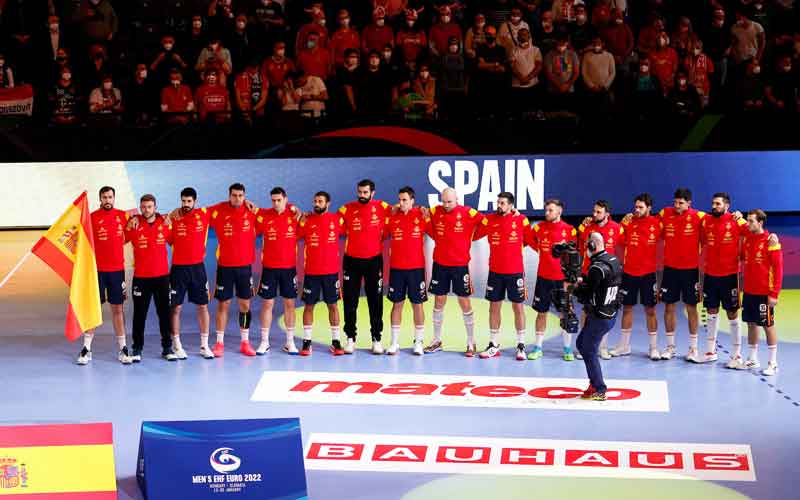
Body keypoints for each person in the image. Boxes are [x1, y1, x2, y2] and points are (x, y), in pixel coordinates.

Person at [699, 193, 771, 366]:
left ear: (727, 206)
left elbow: (757, 231)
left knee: (732, 313)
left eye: (717, 203)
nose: (714, 206)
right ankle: (710, 351)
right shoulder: (706, 220)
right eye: (713, 203)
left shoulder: (736, 221)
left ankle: (736, 354)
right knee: (711, 312)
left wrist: (770, 236)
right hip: (710, 275)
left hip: (730, 275)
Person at [77, 187, 132, 365]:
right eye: (104, 197)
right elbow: (82, 239)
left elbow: (140, 222)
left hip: (117, 271)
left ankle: (123, 348)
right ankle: (86, 349)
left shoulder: (124, 216)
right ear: (100, 199)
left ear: (114, 198)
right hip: (97, 272)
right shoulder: (92, 218)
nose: (107, 200)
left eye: (110, 197)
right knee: (94, 309)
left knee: (118, 309)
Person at [473, 192, 531, 361]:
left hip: (515, 272)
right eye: (498, 202)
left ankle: (521, 345)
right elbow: (475, 234)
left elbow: (529, 240)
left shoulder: (521, 220)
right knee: (494, 308)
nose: (499, 205)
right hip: (495, 272)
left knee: (518, 308)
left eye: (503, 203)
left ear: (511, 205)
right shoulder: (490, 219)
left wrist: (513, 251)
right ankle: (493, 345)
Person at [424, 187, 483, 355]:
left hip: (459, 265)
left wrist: (471, 237)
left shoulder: (468, 212)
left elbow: (487, 223)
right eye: (444, 201)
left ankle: (471, 342)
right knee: (438, 302)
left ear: (457, 199)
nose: (447, 205)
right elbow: (424, 217)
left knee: (464, 302)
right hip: (440, 264)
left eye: (450, 201)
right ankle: (436, 340)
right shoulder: (435, 211)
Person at [337, 180, 390, 354]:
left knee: (375, 301)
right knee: (350, 301)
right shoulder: (346, 209)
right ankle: (350, 339)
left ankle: (376, 339)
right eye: (360, 192)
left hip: (374, 261)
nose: (362, 195)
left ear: (372, 193)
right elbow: (328, 221)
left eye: (365, 192)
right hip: (351, 261)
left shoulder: (382, 207)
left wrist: (420, 210)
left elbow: (400, 210)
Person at [653, 188, 706, 361]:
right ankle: (670, 347)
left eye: (681, 203)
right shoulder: (665, 213)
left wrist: (736, 215)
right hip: (670, 270)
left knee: (691, 307)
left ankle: (693, 348)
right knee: (669, 307)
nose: (677, 206)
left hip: (691, 271)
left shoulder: (700, 217)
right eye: (675, 202)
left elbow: (719, 222)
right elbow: (649, 223)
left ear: (689, 203)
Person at [208, 183, 258, 357]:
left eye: (241, 195)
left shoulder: (252, 211)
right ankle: (219, 343)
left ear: (244, 196)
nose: (237, 198)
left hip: (245, 267)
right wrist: (175, 212)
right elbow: (196, 213)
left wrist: (294, 209)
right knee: (224, 304)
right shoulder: (218, 210)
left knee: (245, 304)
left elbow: (275, 213)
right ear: (229, 195)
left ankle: (245, 342)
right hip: (225, 267)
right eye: (234, 195)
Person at [124, 195, 175, 362]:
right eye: (143, 207)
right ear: (140, 207)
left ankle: (167, 348)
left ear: (155, 207)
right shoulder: (134, 224)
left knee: (164, 314)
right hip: (141, 278)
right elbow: (120, 235)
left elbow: (176, 240)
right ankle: (137, 349)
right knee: (139, 315)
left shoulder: (165, 223)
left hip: (162, 278)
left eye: (150, 207)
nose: (146, 210)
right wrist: (131, 218)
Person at [164, 188, 213, 360]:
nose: (185, 205)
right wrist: (169, 215)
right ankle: (177, 346)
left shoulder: (205, 214)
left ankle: (204, 346)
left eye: (189, 201)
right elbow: (160, 227)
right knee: (175, 308)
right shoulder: (174, 219)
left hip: (198, 269)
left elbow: (227, 207)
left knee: (203, 306)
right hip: (178, 269)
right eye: (183, 201)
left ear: (195, 201)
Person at [574, 232, 623, 401]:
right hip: (610, 313)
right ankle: (594, 383)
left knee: (588, 349)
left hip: (599, 316)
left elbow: (587, 294)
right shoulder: (613, 260)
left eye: (588, 244)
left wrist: (575, 288)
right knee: (581, 344)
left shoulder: (596, 268)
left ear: (592, 245)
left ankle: (599, 388)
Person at [526, 199, 578, 361]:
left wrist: (571, 280)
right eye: (546, 210)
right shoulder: (539, 228)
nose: (547, 213)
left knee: (566, 314)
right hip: (543, 278)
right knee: (541, 313)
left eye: (550, 210)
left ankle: (567, 348)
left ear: (559, 211)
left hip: (562, 280)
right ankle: (538, 347)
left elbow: (574, 256)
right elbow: (532, 242)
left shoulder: (570, 230)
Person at [296, 191, 345, 356]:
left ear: (328, 203)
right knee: (309, 306)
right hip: (312, 272)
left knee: (333, 306)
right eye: (315, 201)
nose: (317, 204)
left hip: (331, 273)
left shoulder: (337, 220)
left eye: (320, 201)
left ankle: (336, 341)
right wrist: (300, 218)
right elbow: (294, 235)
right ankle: (307, 342)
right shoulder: (307, 220)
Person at [613, 193, 662, 359]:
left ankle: (654, 348)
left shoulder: (658, 223)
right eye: (636, 207)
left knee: (651, 310)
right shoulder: (628, 223)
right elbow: (617, 242)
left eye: (641, 207)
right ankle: (624, 346)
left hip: (648, 274)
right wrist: (622, 224)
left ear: (649, 208)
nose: (637, 210)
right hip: (629, 273)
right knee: (627, 309)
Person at [254, 187, 301, 355]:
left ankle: (290, 342)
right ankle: (264, 342)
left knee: (290, 304)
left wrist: (298, 212)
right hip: (269, 269)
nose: (276, 203)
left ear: (285, 199)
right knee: (267, 304)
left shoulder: (295, 215)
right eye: (273, 200)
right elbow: (252, 220)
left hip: (289, 269)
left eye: (279, 200)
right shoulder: (265, 215)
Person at [737, 209, 783, 376]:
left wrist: (774, 294)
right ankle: (753, 358)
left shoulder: (771, 242)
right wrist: (738, 216)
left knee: (767, 325)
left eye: (751, 221)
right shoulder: (748, 237)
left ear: (760, 223)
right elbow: (740, 224)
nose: (748, 224)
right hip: (749, 290)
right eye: (747, 220)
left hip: (764, 292)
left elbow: (778, 269)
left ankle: (773, 362)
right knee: (751, 323)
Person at [385, 186, 430, 355]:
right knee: (397, 305)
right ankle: (394, 343)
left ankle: (418, 342)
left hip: (416, 269)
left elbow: (440, 214)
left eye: (405, 200)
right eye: (400, 200)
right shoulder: (392, 218)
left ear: (412, 201)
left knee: (417, 305)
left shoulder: (422, 215)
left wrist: (422, 209)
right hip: (396, 269)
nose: (401, 203)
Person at [576, 200, 622, 359]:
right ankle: (586, 344)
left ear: (607, 214)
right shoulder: (586, 226)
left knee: (604, 309)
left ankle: (602, 346)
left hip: (607, 276)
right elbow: (578, 245)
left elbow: (624, 245)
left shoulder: (617, 228)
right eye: (594, 211)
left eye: (598, 212)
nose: (594, 215)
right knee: (586, 308)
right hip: (589, 272)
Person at [543, 33, 580, 111]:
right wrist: (559, 85)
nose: (561, 46)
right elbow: (548, 73)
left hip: (569, 90)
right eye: (559, 43)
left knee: (568, 112)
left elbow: (576, 72)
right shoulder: (549, 55)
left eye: (563, 43)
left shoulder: (572, 54)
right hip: (553, 90)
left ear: (567, 43)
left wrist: (567, 85)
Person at [509, 28, 543, 112]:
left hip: (533, 85)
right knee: (519, 111)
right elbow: (512, 66)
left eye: (525, 34)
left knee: (532, 110)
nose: (522, 37)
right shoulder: (513, 50)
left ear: (529, 36)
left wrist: (528, 78)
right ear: (517, 37)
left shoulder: (536, 50)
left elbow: (539, 66)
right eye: (520, 35)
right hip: (517, 85)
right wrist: (521, 78)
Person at [581, 36, 615, 115]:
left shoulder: (609, 56)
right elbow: (584, 72)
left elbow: (612, 72)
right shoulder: (586, 56)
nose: (596, 45)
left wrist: (605, 86)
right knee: (591, 112)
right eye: (594, 43)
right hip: (591, 89)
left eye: (598, 43)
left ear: (603, 44)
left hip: (604, 89)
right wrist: (591, 86)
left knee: (604, 111)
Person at [234, 58, 269, 123]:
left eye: (255, 67)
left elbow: (263, 100)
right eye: (252, 67)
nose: (254, 69)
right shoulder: (239, 77)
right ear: (247, 67)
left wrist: (252, 110)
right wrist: (244, 110)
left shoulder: (263, 79)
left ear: (258, 67)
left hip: (257, 111)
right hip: (243, 111)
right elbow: (238, 98)